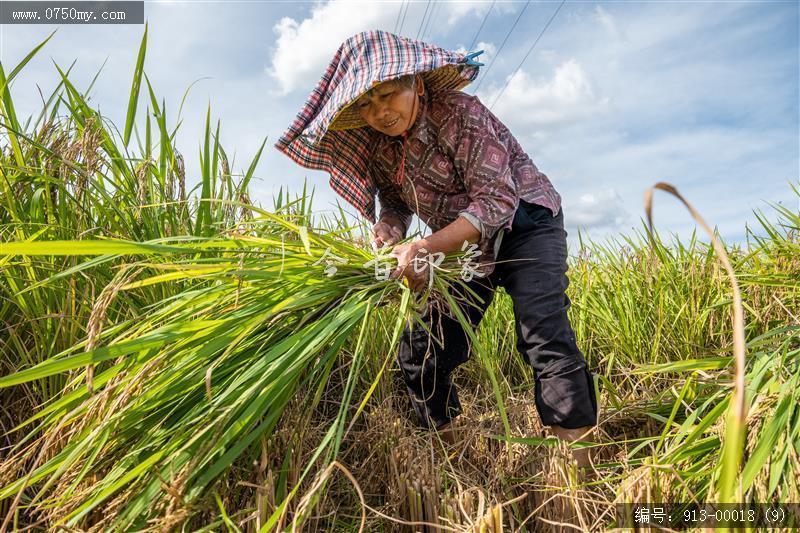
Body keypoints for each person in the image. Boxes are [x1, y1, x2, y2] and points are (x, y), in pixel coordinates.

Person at [276, 30, 597, 466]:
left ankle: (579, 469)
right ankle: (452, 459)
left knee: (543, 332)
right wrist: (389, 227)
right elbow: (394, 201)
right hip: (464, 246)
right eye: (366, 105)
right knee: (422, 348)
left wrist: (425, 246)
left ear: (417, 84)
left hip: (525, 225)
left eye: (388, 94)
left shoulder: (460, 113)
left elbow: (497, 201)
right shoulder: (380, 147)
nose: (380, 112)